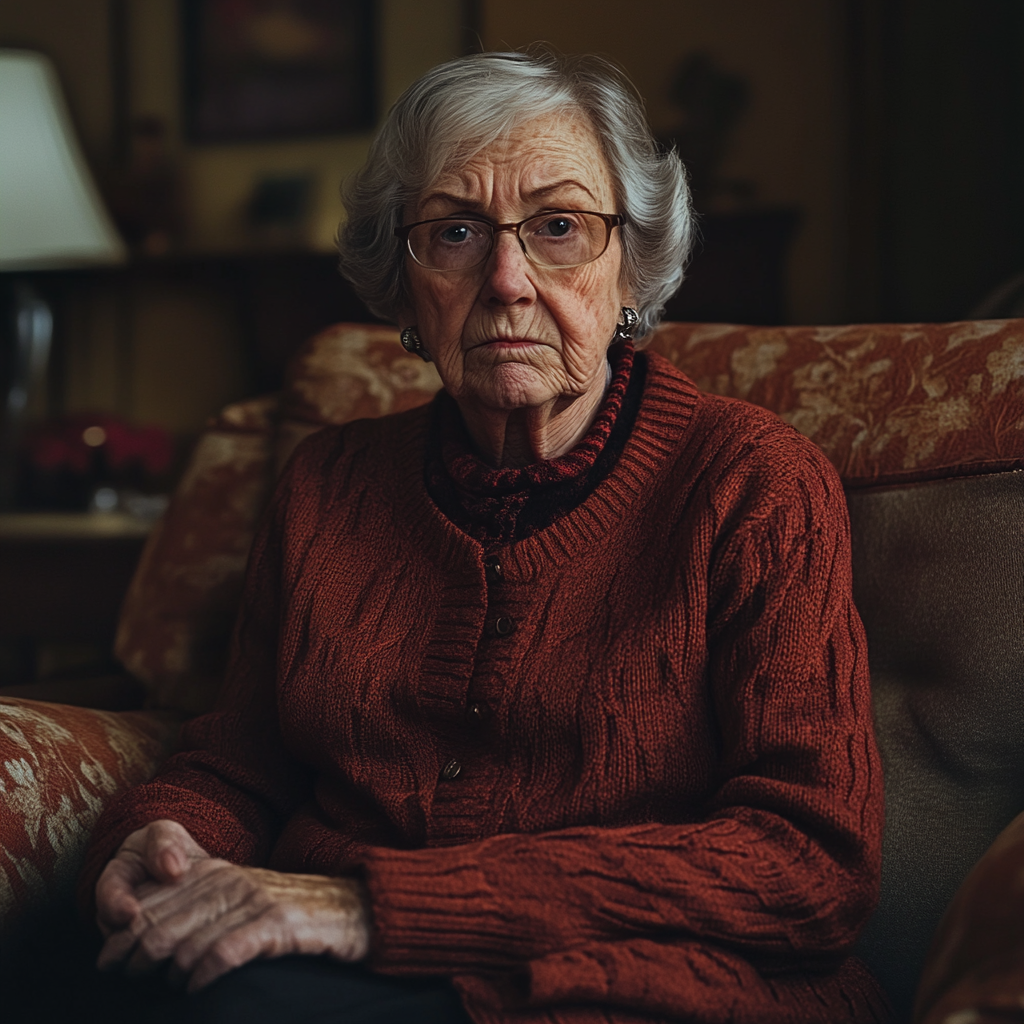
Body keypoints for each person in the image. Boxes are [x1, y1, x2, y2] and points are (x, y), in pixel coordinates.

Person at [83, 50, 890, 1024]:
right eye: (455, 232)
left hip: (620, 984)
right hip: (312, 968)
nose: (506, 280)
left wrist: (369, 908)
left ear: (630, 265)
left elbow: (809, 865)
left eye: (557, 227)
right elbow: (240, 760)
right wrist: (160, 836)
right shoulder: (326, 485)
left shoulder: (753, 483)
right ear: (403, 282)